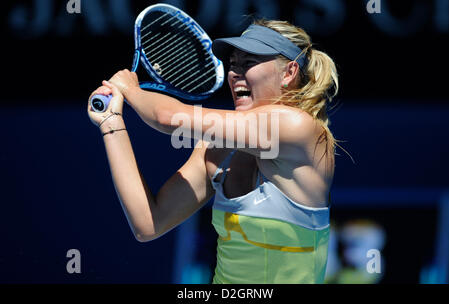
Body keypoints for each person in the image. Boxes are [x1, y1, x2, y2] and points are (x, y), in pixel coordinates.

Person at [87, 19, 339, 284]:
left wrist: (130, 89)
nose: (235, 73)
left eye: (249, 63)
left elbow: (167, 117)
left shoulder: (300, 127)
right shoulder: (215, 149)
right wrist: (111, 122)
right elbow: (149, 223)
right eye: (233, 64)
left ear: (288, 73)